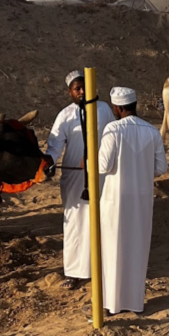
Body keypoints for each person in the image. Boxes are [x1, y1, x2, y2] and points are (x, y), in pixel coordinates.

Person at [99, 86, 169, 315]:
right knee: (137, 249)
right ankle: (135, 303)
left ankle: (111, 304)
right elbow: (161, 168)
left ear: (118, 108)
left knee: (112, 249)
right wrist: (141, 169)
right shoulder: (152, 131)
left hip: (114, 201)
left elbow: (103, 166)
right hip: (142, 201)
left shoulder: (113, 130)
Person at [45, 71, 114, 290]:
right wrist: (49, 162)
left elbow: (113, 137)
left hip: (103, 175)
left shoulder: (104, 109)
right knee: (76, 223)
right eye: (78, 88)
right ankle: (75, 272)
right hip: (75, 177)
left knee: (104, 220)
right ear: (70, 92)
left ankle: (104, 268)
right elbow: (55, 146)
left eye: (85, 87)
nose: (83, 92)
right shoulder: (64, 115)